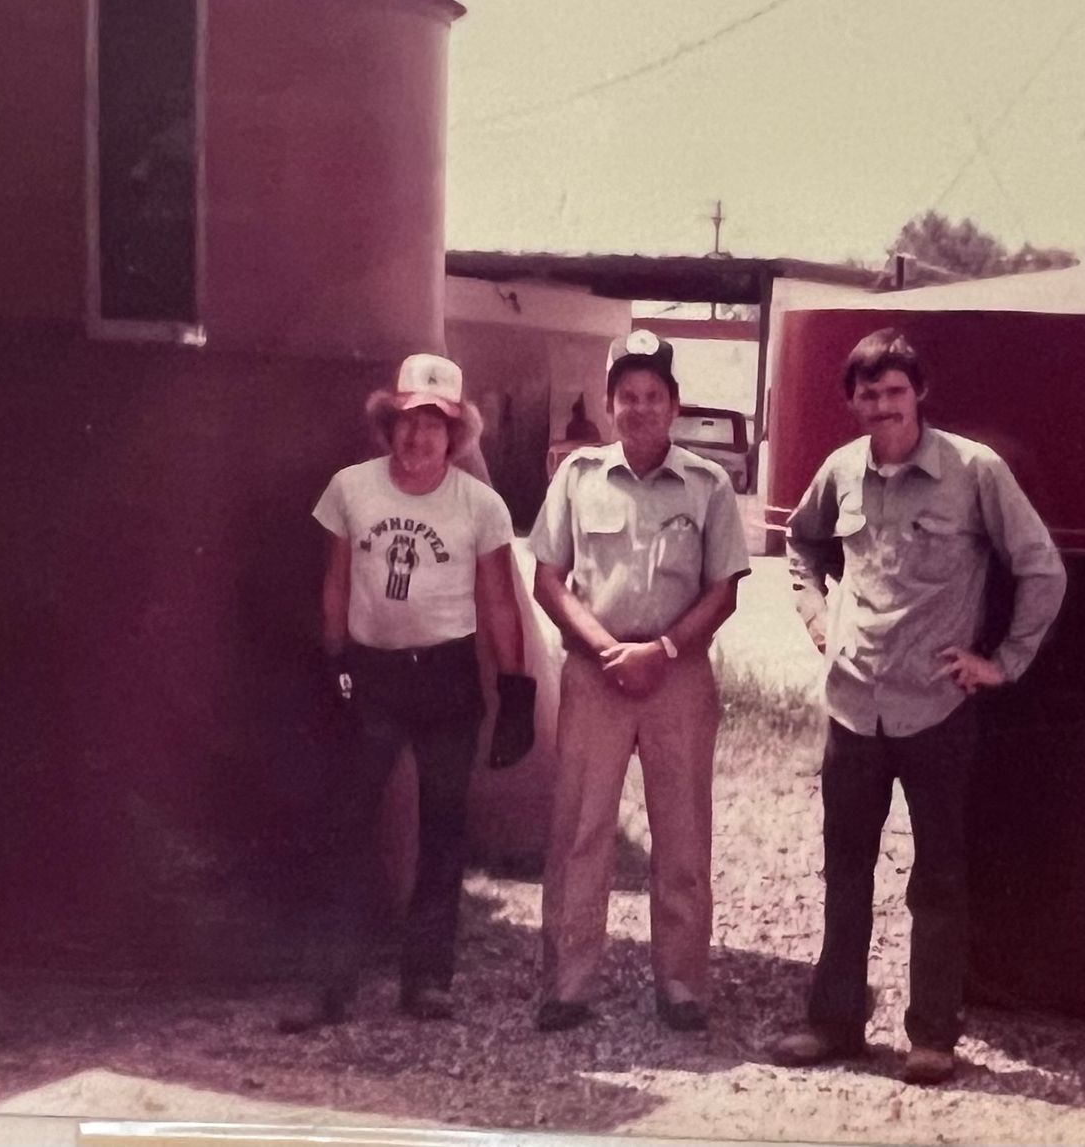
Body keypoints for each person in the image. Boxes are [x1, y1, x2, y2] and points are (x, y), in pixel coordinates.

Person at [770, 327, 1066, 1085]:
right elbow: (799, 546)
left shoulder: (973, 471)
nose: (882, 406)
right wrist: (816, 617)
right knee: (845, 871)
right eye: (868, 394)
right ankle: (833, 1023)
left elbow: (1041, 569)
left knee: (937, 876)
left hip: (937, 709)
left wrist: (1000, 662)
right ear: (853, 401)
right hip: (853, 707)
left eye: (895, 391)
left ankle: (932, 1035)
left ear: (919, 393)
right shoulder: (839, 472)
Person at [279, 353, 538, 1032]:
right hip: (372, 676)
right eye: (407, 421)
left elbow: (501, 601)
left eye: (435, 424)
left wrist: (516, 690)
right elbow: (335, 581)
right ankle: (329, 983)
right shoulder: (350, 489)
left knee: (443, 829)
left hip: (447, 678)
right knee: (345, 823)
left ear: (455, 435)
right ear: (386, 424)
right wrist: (334, 660)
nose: (419, 437)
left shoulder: (480, 505)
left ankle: (426, 977)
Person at [528, 331, 749, 1033]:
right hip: (596, 676)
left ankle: (682, 984)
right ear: (609, 402)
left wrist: (661, 647)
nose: (641, 407)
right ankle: (567, 983)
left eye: (654, 395)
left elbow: (725, 589)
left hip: (677, 675)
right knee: (581, 830)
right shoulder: (579, 476)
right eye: (628, 395)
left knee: (682, 834)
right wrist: (604, 648)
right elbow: (548, 580)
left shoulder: (708, 484)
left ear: (675, 405)